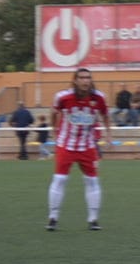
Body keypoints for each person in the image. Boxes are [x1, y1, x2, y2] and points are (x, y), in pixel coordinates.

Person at [46, 68, 111, 231]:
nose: (85, 81)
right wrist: (54, 129)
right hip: (66, 145)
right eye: (81, 78)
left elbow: (105, 115)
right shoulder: (63, 97)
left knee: (92, 181)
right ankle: (53, 217)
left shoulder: (98, 97)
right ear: (75, 80)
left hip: (87, 146)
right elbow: (54, 112)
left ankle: (93, 220)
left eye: (88, 77)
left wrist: (109, 134)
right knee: (60, 179)